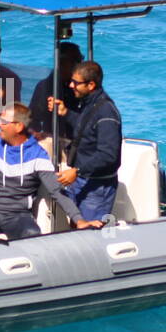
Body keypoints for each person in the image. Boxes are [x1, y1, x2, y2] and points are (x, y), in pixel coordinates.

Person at [0, 102, 101, 244]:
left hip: (18, 216)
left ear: (19, 126)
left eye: (4, 122)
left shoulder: (38, 155)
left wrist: (79, 220)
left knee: (32, 234)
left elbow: (57, 191)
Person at [49, 60, 122, 221]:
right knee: (79, 226)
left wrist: (77, 171)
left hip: (97, 187)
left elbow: (108, 154)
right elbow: (86, 130)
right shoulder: (91, 104)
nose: (71, 86)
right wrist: (66, 112)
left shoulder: (106, 112)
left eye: (76, 83)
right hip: (83, 180)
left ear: (90, 85)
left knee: (91, 232)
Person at [28, 41, 84, 139]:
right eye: (77, 61)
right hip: (54, 142)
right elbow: (33, 119)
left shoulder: (83, 87)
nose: (80, 66)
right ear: (60, 63)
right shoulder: (45, 86)